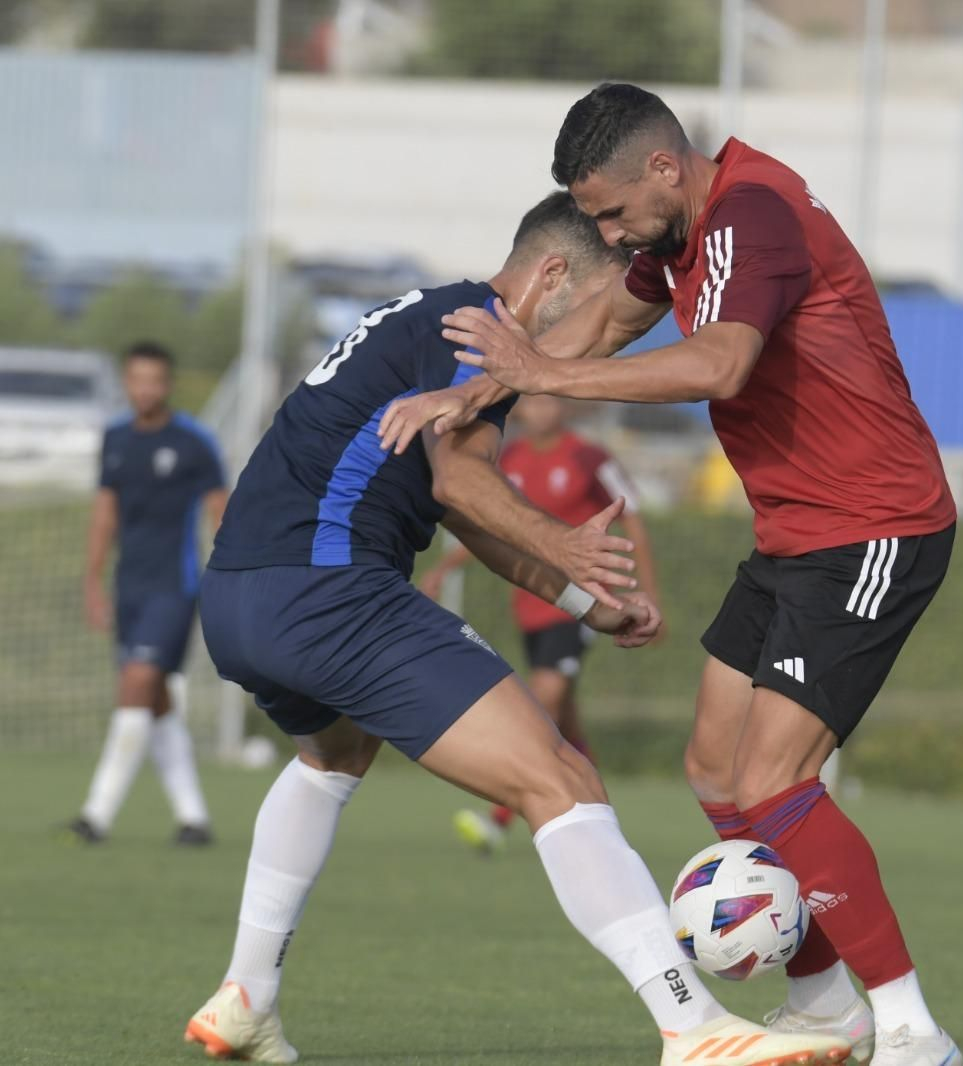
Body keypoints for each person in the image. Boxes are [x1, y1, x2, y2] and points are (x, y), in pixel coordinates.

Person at [182, 191, 848, 1066]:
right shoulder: (475, 329)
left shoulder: (420, 319)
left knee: (333, 754)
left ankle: (245, 998)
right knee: (561, 779)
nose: (580, 346)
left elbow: (462, 513)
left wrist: (582, 599)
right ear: (553, 276)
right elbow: (463, 486)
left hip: (238, 598)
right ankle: (692, 1027)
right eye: (593, 311)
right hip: (327, 590)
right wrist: (565, 543)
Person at [379, 82, 963, 1066]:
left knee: (775, 779)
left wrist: (542, 375)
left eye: (609, 210)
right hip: (794, 536)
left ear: (663, 167)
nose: (606, 231)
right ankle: (825, 1001)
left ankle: (913, 1028)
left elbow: (719, 365)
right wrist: (482, 388)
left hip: (874, 529)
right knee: (714, 766)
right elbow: (605, 320)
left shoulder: (750, 215)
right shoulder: (679, 235)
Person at [418, 393, 662, 853]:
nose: (542, 408)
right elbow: (496, 527)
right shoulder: (509, 458)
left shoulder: (589, 457)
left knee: (542, 699)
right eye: (534, 400)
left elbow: (635, 523)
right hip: (533, 604)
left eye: (552, 399)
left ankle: (499, 818)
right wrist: (443, 568)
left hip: (584, 604)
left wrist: (648, 593)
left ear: (567, 407)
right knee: (564, 725)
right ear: (521, 408)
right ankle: (600, 821)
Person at [69, 341, 227, 846]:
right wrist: (93, 580)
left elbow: (219, 512)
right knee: (154, 701)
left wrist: (229, 580)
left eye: (155, 380)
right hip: (128, 587)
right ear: (126, 381)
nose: (146, 389)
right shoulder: (115, 439)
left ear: (168, 383)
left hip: (174, 586)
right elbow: (104, 513)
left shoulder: (195, 441)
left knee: (137, 682)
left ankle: (95, 816)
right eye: (137, 379)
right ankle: (194, 819)